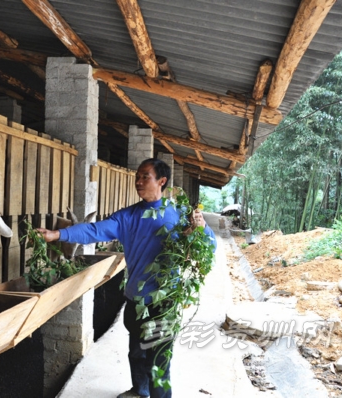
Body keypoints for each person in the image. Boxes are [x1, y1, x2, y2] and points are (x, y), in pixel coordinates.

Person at [37, 158, 217, 398]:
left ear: (162, 181)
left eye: (145, 177)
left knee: (159, 363)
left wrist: (201, 228)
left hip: (164, 303)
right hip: (135, 299)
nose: (139, 182)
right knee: (137, 353)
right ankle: (140, 392)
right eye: (137, 177)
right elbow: (94, 230)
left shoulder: (181, 214)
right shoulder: (128, 217)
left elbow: (210, 246)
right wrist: (58, 233)